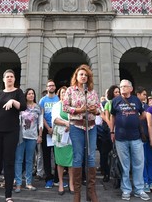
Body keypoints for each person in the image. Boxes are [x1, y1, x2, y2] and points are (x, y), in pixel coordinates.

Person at [62, 65, 102, 202]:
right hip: (76, 126)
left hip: (91, 126)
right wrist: (80, 110)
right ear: (76, 77)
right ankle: (77, 193)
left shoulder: (92, 92)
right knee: (78, 156)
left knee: (91, 157)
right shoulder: (70, 90)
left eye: (85, 75)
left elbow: (98, 109)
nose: (83, 76)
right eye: (81, 74)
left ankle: (92, 191)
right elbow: (65, 107)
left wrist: (93, 110)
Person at [0, 69, 27, 202]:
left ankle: (8, 195)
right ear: (4, 79)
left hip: (11, 131)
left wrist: (13, 102)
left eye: (11, 76)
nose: (9, 78)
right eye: (7, 77)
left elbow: (23, 107)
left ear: (14, 79)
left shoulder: (18, 92)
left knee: (9, 162)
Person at [110, 79, 150, 201]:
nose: (122, 88)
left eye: (125, 86)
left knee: (138, 164)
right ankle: (126, 189)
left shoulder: (136, 100)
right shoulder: (115, 101)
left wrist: (135, 120)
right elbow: (113, 116)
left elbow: (143, 114)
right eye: (121, 86)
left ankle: (139, 189)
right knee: (125, 165)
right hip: (121, 138)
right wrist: (112, 131)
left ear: (131, 89)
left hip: (136, 137)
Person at [15, 88, 43, 193]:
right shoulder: (21, 106)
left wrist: (40, 135)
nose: (31, 95)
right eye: (29, 93)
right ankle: (18, 183)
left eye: (32, 93)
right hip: (21, 136)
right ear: (25, 95)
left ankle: (28, 183)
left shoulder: (38, 107)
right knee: (18, 160)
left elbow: (40, 122)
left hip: (32, 136)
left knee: (30, 160)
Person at [52, 86, 74, 195]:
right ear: (59, 95)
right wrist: (66, 123)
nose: (64, 94)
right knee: (60, 161)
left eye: (66, 93)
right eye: (62, 93)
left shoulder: (72, 105)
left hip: (71, 137)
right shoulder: (56, 106)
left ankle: (71, 183)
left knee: (71, 161)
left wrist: (72, 124)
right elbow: (55, 119)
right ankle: (60, 183)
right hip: (60, 137)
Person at [38, 79, 59, 189]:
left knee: (57, 155)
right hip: (47, 129)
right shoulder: (42, 100)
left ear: (55, 87)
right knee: (46, 155)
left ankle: (57, 178)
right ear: (47, 88)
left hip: (57, 128)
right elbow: (41, 116)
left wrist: (54, 128)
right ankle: (48, 179)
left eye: (53, 85)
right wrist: (48, 128)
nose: (51, 87)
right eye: (49, 86)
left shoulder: (58, 99)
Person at [136, 87, 152, 193]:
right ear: (138, 95)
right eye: (143, 94)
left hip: (149, 137)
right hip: (139, 137)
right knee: (142, 161)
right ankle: (145, 182)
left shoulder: (149, 107)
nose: (145, 96)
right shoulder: (134, 107)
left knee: (150, 161)